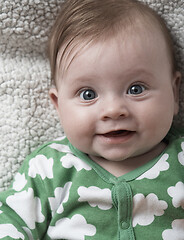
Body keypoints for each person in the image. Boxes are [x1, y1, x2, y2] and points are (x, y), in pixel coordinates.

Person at [0, 0, 183, 239]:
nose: (114, 110)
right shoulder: (48, 168)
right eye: (88, 94)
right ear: (59, 105)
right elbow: (10, 223)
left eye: (136, 89)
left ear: (175, 92)